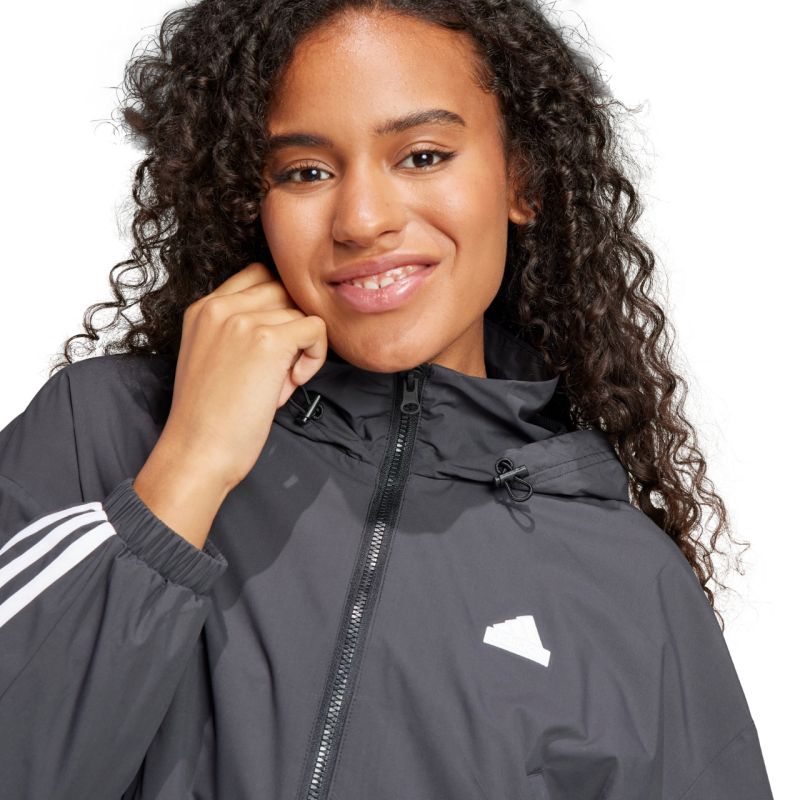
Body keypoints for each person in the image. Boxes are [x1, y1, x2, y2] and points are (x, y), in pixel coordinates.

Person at [0, 0, 774, 797]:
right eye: (306, 172)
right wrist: (189, 469)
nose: (363, 220)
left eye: (423, 156)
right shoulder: (104, 433)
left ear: (523, 178)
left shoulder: (628, 582)